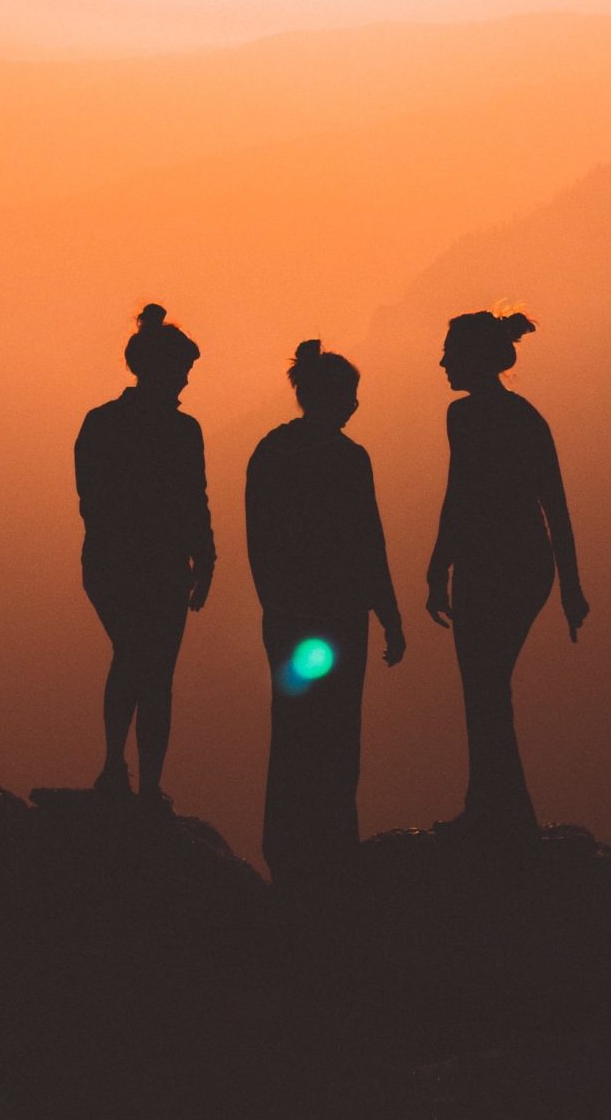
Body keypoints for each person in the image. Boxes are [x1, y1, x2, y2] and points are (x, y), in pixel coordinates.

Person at [245, 340, 405, 886]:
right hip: (339, 618)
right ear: (332, 396)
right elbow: (369, 542)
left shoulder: (270, 451)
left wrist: (275, 602)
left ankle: (286, 845)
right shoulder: (347, 458)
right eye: (351, 394)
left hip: (286, 617)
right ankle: (334, 842)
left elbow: (259, 538)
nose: (356, 404)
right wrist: (389, 614)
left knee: (292, 728)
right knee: (337, 730)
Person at [425, 309, 586, 838]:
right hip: (505, 563)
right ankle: (496, 807)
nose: (443, 362)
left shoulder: (490, 418)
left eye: (450, 352)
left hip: (501, 565)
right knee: (485, 686)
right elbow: (468, 495)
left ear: (473, 358)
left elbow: (546, 502)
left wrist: (572, 588)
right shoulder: (505, 417)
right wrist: (439, 567)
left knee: (485, 686)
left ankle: (499, 813)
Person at [76, 303, 215, 811]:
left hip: (111, 565)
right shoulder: (181, 431)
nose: (186, 382)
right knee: (154, 673)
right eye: (182, 371)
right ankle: (145, 785)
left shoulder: (100, 423)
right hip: (156, 568)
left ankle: (117, 770)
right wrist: (204, 559)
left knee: (132, 659)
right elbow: (194, 501)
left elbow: (91, 502)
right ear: (160, 369)